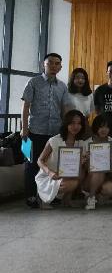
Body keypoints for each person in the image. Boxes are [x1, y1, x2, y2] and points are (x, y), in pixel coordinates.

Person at [21, 53, 69, 208]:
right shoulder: (33, 82)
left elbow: (64, 109)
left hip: (54, 133)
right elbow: (25, 106)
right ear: (44, 64)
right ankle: (31, 197)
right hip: (33, 131)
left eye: (57, 63)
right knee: (31, 164)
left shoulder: (62, 86)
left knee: (52, 165)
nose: (54, 66)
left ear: (60, 67)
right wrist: (24, 129)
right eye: (50, 63)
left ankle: (50, 196)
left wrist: (65, 130)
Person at [35, 109, 87, 208]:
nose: (76, 126)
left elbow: (77, 168)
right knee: (73, 183)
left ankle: (66, 199)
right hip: (50, 176)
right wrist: (49, 172)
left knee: (81, 172)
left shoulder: (81, 143)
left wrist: (82, 162)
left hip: (66, 176)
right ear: (66, 124)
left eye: (79, 123)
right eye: (72, 123)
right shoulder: (54, 140)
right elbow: (40, 160)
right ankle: (42, 197)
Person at [82, 114, 112, 210]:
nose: (104, 130)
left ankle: (96, 197)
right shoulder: (86, 143)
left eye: (107, 127)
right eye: (101, 127)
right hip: (88, 180)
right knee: (98, 170)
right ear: (95, 127)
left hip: (105, 179)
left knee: (111, 189)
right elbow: (83, 169)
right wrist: (85, 160)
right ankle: (91, 197)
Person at [93, 60, 112, 137]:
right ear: (107, 72)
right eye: (110, 71)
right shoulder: (99, 90)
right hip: (105, 128)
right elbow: (97, 109)